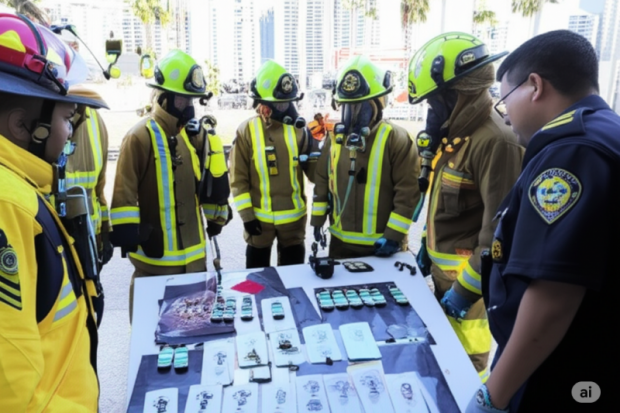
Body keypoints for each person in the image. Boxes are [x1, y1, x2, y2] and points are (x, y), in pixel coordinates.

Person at [466, 30, 612, 412]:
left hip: (559, 374)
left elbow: (553, 298)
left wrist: (493, 396)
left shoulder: (571, 153)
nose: (505, 115)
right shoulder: (602, 133)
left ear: (535, 86)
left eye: (504, 100)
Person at [0, 13, 106, 411]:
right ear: (22, 126)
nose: (70, 132)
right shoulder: (8, 204)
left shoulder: (21, 187)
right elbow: (13, 395)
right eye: (65, 118)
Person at [408, 32, 524, 380]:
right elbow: (448, 208)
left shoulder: (495, 142)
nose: (432, 111)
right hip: (445, 281)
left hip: (470, 295)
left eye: (434, 102)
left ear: (456, 94)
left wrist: (464, 291)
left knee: (468, 371)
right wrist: (429, 248)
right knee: (441, 365)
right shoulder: (459, 138)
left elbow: (498, 234)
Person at [110, 49, 231, 319]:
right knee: (151, 337)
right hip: (155, 266)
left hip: (195, 264)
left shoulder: (193, 137)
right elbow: (123, 194)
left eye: (192, 99)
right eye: (182, 99)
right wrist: (135, 235)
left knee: (194, 333)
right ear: (163, 97)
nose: (189, 106)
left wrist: (217, 217)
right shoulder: (139, 137)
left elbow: (209, 185)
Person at [311, 55, 420, 258]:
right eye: (347, 107)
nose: (352, 114)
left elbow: (408, 193)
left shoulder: (396, 139)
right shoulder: (334, 139)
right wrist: (317, 221)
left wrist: (393, 236)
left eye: (360, 107)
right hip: (340, 244)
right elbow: (322, 181)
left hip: (381, 248)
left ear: (377, 104)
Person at [230, 60, 318, 269]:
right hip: (259, 223)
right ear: (264, 104)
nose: (285, 108)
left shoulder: (300, 130)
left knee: (293, 279)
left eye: (288, 103)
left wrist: (322, 149)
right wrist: (247, 217)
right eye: (279, 104)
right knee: (258, 280)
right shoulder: (246, 131)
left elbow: (316, 174)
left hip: (293, 225)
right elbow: (238, 179)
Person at [66, 85, 113, 270]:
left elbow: (99, 188)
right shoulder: (35, 112)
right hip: (53, 243)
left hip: (89, 243)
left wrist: (105, 232)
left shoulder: (94, 117)